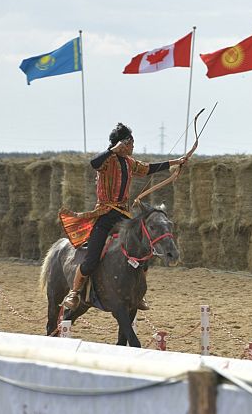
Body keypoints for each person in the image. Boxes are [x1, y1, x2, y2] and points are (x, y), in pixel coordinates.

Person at [62, 122, 186, 311]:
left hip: (123, 219)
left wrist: (175, 162)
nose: (133, 146)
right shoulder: (106, 161)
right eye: (130, 143)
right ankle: (75, 292)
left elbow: (147, 168)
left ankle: (138, 294)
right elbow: (93, 163)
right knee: (91, 260)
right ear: (122, 144)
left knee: (142, 251)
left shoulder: (129, 162)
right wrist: (112, 150)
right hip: (104, 217)